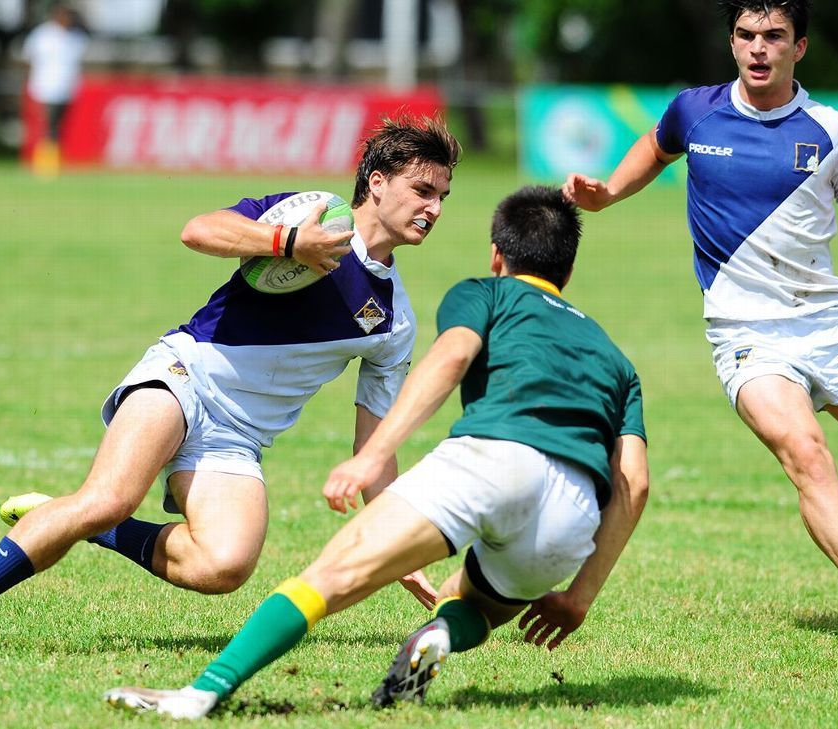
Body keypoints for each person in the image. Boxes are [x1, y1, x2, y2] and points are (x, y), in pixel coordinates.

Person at [0, 116, 461, 657]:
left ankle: (96, 528)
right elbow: (199, 230)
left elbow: (373, 448)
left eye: (442, 196)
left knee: (224, 566)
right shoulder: (308, 213)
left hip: (237, 439)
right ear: (378, 183)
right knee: (108, 497)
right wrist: (287, 243)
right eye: (422, 190)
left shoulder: (394, 322)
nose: (433, 208)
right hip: (183, 376)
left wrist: (394, 539)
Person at [102, 186, 649, 719]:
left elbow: (449, 359)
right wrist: (579, 596)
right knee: (481, 602)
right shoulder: (617, 358)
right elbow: (634, 483)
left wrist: (373, 456)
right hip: (572, 512)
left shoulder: (484, 292)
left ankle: (200, 695)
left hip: (493, 460)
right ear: (568, 274)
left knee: (327, 581)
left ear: (497, 255)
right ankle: (439, 633)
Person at [561, 0, 838, 651]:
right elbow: (657, 148)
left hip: (831, 326)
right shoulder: (697, 110)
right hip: (747, 334)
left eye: (774, 36)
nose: (757, 48)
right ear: (732, 41)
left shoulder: (830, 129)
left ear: (799, 47)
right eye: (746, 34)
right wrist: (607, 191)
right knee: (806, 454)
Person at [22, 3, 88, 177]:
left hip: (66, 88)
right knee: (48, 126)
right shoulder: (43, 35)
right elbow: (29, 57)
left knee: (58, 126)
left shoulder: (76, 37)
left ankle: (53, 162)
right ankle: (45, 164)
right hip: (46, 87)